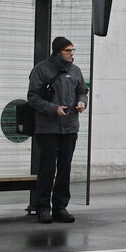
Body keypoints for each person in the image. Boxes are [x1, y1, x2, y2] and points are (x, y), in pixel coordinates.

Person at [28, 37, 88, 224]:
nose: (72, 54)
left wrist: (82, 103)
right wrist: (54, 109)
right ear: (57, 52)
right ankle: (43, 207)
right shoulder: (41, 69)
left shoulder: (75, 70)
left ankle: (60, 207)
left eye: (72, 50)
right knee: (47, 168)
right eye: (68, 50)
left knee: (65, 167)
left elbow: (83, 91)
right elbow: (32, 97)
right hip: (48, 128)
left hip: (70, 127)